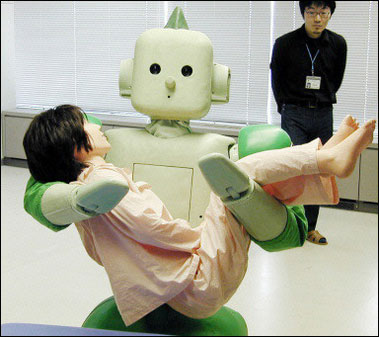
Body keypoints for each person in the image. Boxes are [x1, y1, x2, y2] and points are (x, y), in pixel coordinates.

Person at [23, 105, 375, 326]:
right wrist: (199, 237)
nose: (97, 126)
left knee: (246, 180)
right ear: (77, 144)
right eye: (87, 124)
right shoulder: (102, 180)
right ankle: (327, 160)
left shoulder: (86, 192)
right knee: (240, 171)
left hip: (186, 290)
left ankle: (326, 159)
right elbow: (153, 227)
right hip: (198, 283)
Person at [270, 1, 347, 245]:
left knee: (318, 170)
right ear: (303, 13)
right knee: (294, 169)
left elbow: (337, 78)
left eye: (323, 13)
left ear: (330, 15)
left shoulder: (338, 44)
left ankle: (310, 228)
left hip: (323, 113)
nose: (317, 19)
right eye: (311, 12)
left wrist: (321, 99)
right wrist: (284, 107)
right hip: (294, 113)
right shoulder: (285, 43)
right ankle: (289, 225)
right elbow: (277, 80)